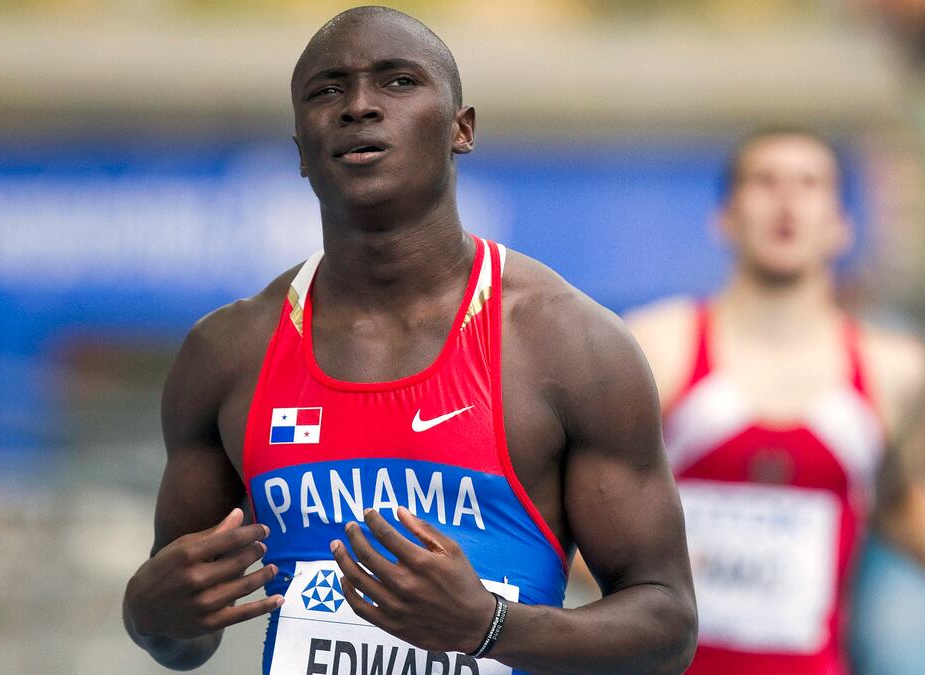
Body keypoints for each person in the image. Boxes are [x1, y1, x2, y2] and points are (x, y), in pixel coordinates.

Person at [121, 7, 696, 674]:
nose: (359, 106)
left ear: (461, 129)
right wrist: (147, 616)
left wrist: (488, 626)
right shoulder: (227, 353)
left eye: (398, 81)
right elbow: (186, 637)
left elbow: (668, 626)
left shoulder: (570, 345)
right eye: (328, 90)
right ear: (301, 151)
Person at [625, 129, 925, 674]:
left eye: (810, 184)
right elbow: (582, 507)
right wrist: (646, 572)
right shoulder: (656, 348)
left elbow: (899, 498)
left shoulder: (895, 369)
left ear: (843, 227)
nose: (787, 202)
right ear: (724, 218)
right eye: (765, 182)